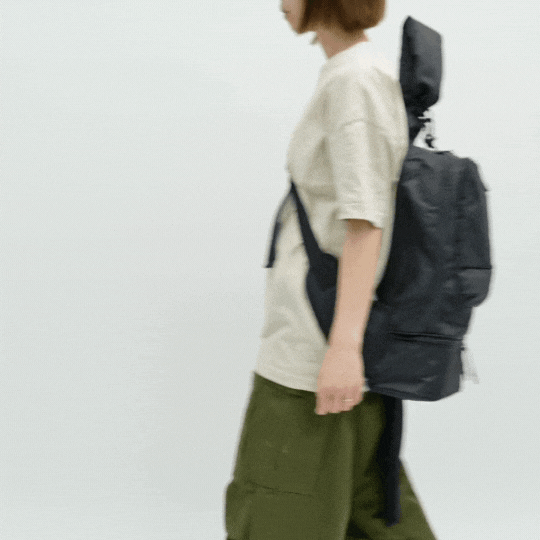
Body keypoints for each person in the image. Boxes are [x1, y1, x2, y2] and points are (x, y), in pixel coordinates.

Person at [224, 1, 438, 538]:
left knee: (275, 510)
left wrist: (342, 350)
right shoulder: (354, 75)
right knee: (374, 511)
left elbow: (365, 223)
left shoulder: (355, 83)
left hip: (315, 348)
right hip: (329, 339)